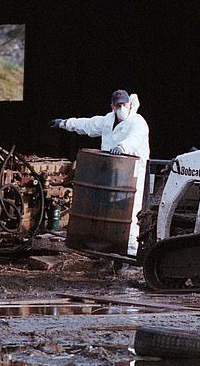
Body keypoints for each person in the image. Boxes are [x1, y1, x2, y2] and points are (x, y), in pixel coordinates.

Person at [50, 90, 150, 256]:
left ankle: (129, 253)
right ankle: (108, 250)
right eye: (118, 105)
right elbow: (87, 125)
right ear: (112, 106)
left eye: (124, 104)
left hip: (133, 175)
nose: (122, 108)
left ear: (130, 104)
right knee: (109, 212)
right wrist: (64, 123)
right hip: (111, 175)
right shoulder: (107, 120)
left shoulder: (137, 122)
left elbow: (134, 138)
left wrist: (122, 148)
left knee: (130, 212)